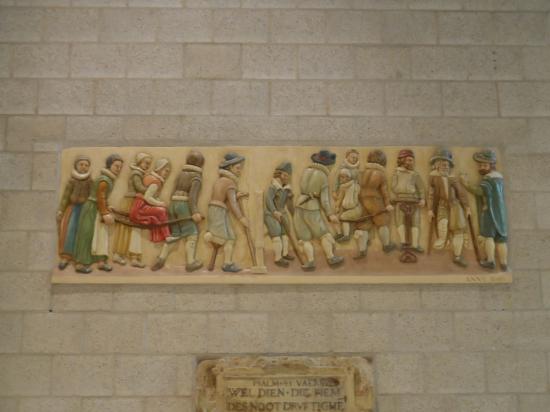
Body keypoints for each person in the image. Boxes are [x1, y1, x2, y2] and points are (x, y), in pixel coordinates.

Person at [294, 149, 344, 271]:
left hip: (299, 206)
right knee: (323, 234)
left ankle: (310, 262)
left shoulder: (306, 171)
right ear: (328, 165)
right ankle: (331, 258)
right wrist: (330, 214)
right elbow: (324, 200)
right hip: (312, 208)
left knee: (304, 238)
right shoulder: (323, 176)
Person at [73, 154, 124, 274]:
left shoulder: (108, 179)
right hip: (91, 209)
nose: (118, 169)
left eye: (120, 167)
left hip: (98, 208)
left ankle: (101, 262)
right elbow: (100, 196)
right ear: (109, 165)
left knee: (102, 235)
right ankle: (80, 264)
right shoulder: (104, 180)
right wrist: (105, 213)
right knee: (86, 235)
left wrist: (107, 206)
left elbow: (103, 197)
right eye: (116, 166)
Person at [461, 149, 508, 271]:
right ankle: (504, 263)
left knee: (488, 237)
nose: (481, 167)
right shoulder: (499, 178)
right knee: (501, 238)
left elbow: (479, 192)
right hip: (500, 213)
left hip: (489, 212)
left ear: (491, 165)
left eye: (484, 165)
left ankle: (491, 261)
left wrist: (466, 184)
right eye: (480, 165)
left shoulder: (488, 179)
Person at [204, 152, 249, 273]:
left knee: (231, 237)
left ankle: (227, 263)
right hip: (219, 212)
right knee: (224, 237)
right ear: (230, 168)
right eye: (238, 168)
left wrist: (236, 195)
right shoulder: (230, 183)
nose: (240, 171)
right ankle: (210, 236)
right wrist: (241, 218)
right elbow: (233, 204)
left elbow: (224, 197)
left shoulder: (221, 180)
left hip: (217, 210)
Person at [427, 149, 471, 267]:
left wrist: (467, 207)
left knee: (458, 230)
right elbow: (431, 194)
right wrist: (430, 209)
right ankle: (443, 239)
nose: (445, 167)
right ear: (437, 165)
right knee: (443, 224)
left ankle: (457, 256)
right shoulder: (434, 177)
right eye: (443, 164)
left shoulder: (452, 178)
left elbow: (461, 193)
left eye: (447, 165)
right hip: (442, 206)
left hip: (455, 206)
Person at [128, 158, 174, 271]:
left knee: (162, 210)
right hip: (140, 208)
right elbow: (148, 197)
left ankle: (166, 235)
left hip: (141, 205)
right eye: (165, 171)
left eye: (168, 172)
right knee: (161, 211)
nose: (166, 173)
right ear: (159, 169)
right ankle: (167, 236)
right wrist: (159, 204)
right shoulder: (155, 181)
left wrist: (158, 202)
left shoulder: (152, 178)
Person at [165, 150, 205, 272]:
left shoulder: (180, 174)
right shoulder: (196, 177)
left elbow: (172, 191)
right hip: (183, 206)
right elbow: (192, 197)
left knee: (175, 234)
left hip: (173, 204)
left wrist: (171, 208)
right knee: (192, 233)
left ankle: (161, 258)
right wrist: (195, 212)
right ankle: (190, 263)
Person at [112, 152, 152, 268]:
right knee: (124, 228)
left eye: (149, 164)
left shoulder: (139, 173)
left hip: (136, 202)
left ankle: (134, 257)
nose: (147, 166)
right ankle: (118, 254)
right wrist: (152, 187)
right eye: (146, 163)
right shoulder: (136, 173)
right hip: (130, 202)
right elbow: (140, 188)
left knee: (135, 230)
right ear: (139, 162)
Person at [356, 150, 396, 258]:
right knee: (382, 221)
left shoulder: (362, 173)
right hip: (374, 200)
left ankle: (362, 250)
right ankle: (386, 245)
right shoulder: (381, 174)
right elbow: (384, 192)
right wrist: (387, 204)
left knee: (363, 224)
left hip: (362, 199)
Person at [56, 155, 93, 270]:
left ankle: (79, 259)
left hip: (85, 210)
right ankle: (66, 257)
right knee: (70, 231)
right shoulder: (72, 181)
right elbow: (65, 197)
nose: (84, 167)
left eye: (86, 165)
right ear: (76, 166)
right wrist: (61, 210)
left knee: (82, 234)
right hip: (73, 209)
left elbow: (93, 195)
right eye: (81, 164)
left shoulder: (90, 181)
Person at [391, 149, 425, 253]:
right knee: (400, 221)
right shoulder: (396, 173)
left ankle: (415, 244)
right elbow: (393, 186)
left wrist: (422, 199)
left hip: (413, 200)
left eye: (412, 160)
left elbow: (421, 188)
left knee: (415, 222)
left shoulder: (415, 174)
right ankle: (403, 242)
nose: (411, 162)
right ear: (402, 160)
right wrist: (395, 196)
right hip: (400, 200)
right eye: (409, 160)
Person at [264, 162, 295, 267]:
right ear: (279, 174)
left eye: (288, 176)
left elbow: (289, 205)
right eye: (284, 175)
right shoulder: (273, 187)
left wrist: (290, 198)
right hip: (271, 214)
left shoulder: (286, 189)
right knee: (276, 233)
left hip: (282, 212)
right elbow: (268, 200)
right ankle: (278, 258)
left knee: (285, 233)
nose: (286, 178)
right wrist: (274, 211)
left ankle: (285, 254)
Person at [333, 168, 362, 244]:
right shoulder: (343, 187)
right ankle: (340, 234)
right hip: (346, 208)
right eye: (340, 177)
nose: (340, 179)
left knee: (343, 217)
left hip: (355, 209)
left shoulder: (356, 186)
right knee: (336, 218)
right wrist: (337, 207)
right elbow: (340, 199)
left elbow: (359, 197)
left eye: (342, 177)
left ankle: (346, 236)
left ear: (348, 178)